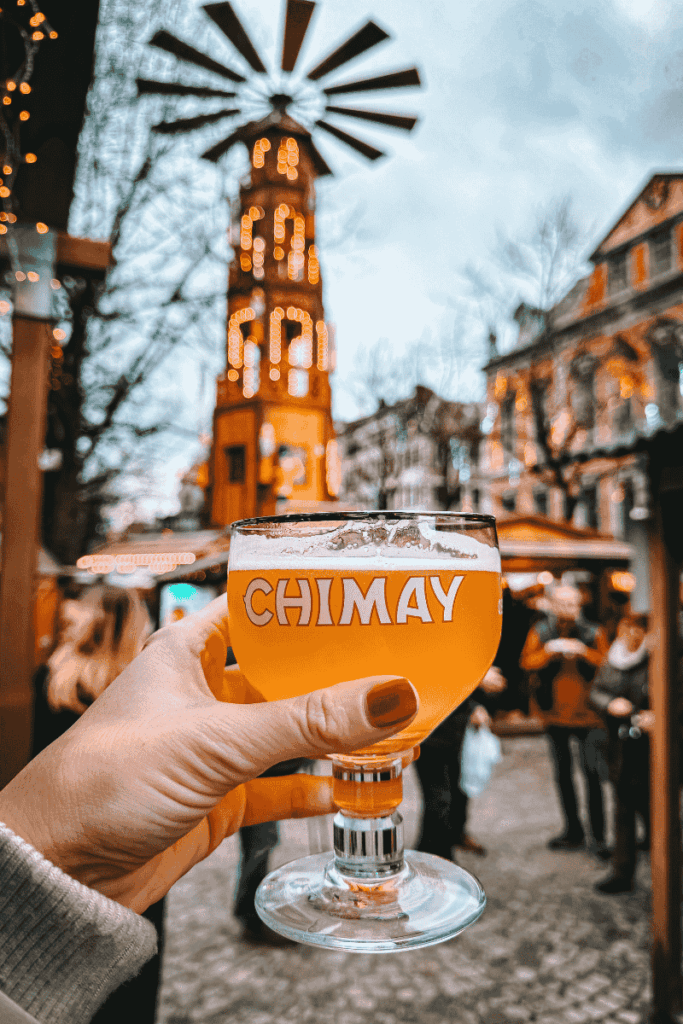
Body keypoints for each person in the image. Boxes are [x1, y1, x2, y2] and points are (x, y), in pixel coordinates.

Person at [0, 595, 419, 1024]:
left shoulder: (52, 674)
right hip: (138, 863)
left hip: (84, 854)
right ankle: (250, 912)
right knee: (132, 985)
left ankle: (250, 908)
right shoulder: (124, 680)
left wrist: (48, 853)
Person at [31, 586, 160, 1024]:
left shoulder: (51, 679)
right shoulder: (143, 690)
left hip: (58, 845)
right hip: (133, 847)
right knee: (129, 966)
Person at [520, 585, 609, 854]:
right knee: (563, 776)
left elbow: (607, 666)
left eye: (572, 604)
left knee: (592, 775)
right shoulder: (541, 632)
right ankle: (573, 831)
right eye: (562, 604)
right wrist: (550, 651)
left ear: (579, 605)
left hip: (589, 716)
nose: (567, 609)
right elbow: (526, 662)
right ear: (553, 605)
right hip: (554, 714)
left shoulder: (595, 632)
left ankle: (600, 836)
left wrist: (582, 651)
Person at [415, 666, 506, 861]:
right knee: (439, 801)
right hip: (430, 730)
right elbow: (426, 673)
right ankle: (434, 861)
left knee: (458, 792)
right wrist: (477, 676)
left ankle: (454, 837)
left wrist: (472, 706)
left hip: (454, 728)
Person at [589, 615, 651, 893]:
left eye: (637, 629)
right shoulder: (613, 657)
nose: (630, 634)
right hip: (620, 743)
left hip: (653, 746)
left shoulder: (660, 657)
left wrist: (653, 717)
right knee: (623, 807)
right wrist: (610, 703)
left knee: (656, 807)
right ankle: (622, 871)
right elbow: (596, 692)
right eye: (625, 628)